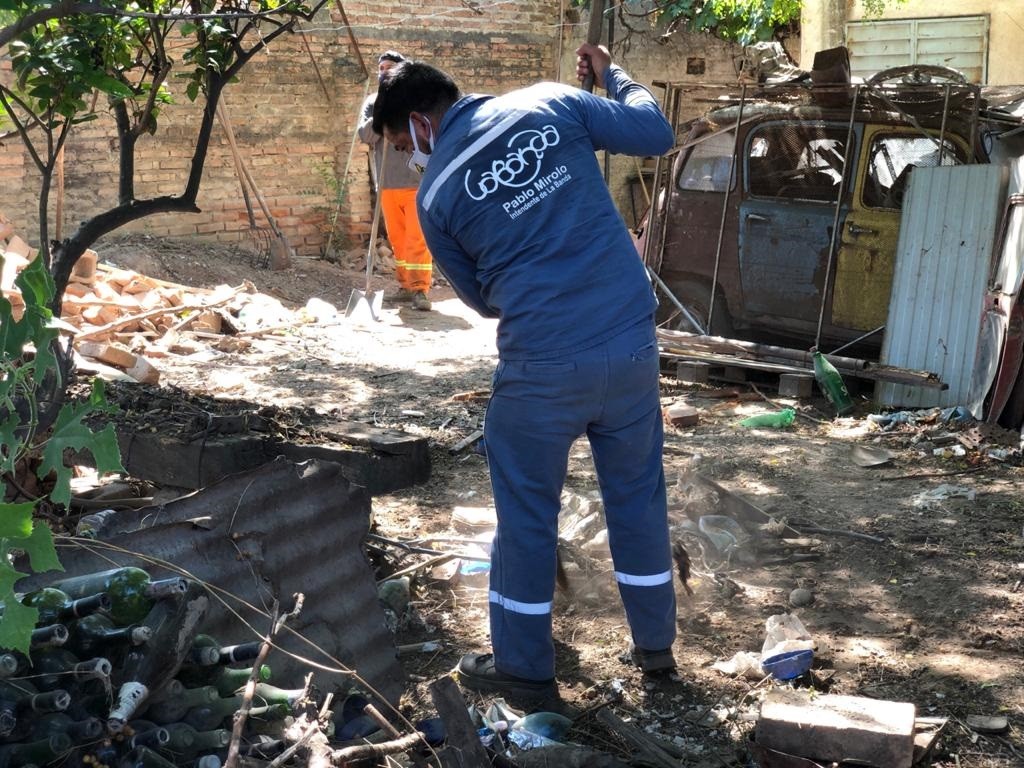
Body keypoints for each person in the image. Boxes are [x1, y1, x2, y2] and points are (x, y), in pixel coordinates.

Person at [372, 45, 677, 700]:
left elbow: (482, 301)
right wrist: (612, 75)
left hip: (541, 367)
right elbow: (655, 132)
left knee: (526, 516)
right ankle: (656, 650)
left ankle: (524, 668)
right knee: (637, 496)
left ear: (421, 122)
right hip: (629, 345)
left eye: (401, 143)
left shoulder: (436, 194)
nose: (408, 155)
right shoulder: (552, 102)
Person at [357, 51, 433, 311]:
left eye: (389, 67)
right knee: (398, 239)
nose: (384, 72)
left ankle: (420, 289)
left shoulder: (418, 102)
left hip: (416, 181)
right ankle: (405, 286)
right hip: (387, 183)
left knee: (417, 239)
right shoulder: (373, 102)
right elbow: (365, 135)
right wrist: (382, 112)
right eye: (381, 68)